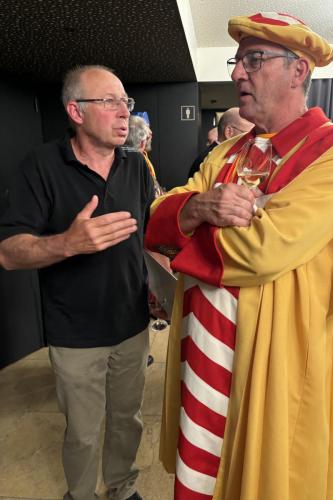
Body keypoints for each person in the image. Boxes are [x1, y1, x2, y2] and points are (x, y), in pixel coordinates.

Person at [145, 12, 333, 500]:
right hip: (201, 348)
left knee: (262, 478)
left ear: (299, 71)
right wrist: (200, 207)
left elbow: (263, 250)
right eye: (236, 60)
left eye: (254, 59)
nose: (236, 73)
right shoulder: (227, 153)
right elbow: (159, 215)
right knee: (204, 473)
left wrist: (188, 225)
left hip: (272, 358)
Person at [0, 65, 154, 500]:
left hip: (132, 324)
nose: (123, 112)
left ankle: (122, 486)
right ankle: (81, 495)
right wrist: (67, 243)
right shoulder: (41, 166)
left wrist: (156, 286)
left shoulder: (136, 167)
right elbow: (8, 252)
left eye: (126, 101)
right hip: (75, 333)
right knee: (84, 432)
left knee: (128, 420)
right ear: (76, 111)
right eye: (109, 101)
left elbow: (146, 238)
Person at [187, 107, 254, 179]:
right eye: (247, 134)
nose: (252, 139)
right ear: (229, 132)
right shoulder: (208, 160)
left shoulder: (222, 156)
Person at [124, 115, 163, 197]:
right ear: (142, 143)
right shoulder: (140, 162)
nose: (151, 134)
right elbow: (155, 195)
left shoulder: (114, 157)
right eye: (148, 137)